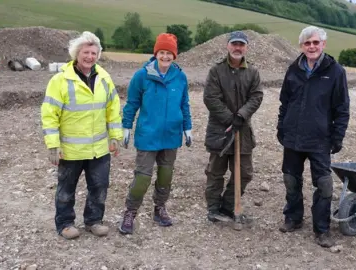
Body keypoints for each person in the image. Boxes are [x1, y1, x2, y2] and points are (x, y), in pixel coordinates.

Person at [40, 31, 123, 239]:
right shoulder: (60, 80)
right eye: (86, 52)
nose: (90, 57)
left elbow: (113, 109)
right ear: (77, 53)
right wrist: (53, 145)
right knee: (66, 189)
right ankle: (65, 223)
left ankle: (94, 220)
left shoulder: (104, 78)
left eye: (94, 53)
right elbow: (49, 115)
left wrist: (115, 136)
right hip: (71, 150)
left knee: (99, 187)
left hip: (99, 149)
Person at [276, 26, 350, 248]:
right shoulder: (293, 69)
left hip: (320, 139)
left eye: (315, 42)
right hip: (293, 138)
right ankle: (293, 218)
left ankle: (322, 229)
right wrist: (282, 128)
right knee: (291, 180)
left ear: (323, 44)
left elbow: (342, 108)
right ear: (301, 46)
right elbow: (284, 102)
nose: (312, 47)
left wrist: (337, 137)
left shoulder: (336, 72)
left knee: (324, 185)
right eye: (307, 43)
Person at [119, 33, 192, 234]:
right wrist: (126, 126)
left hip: (171, 135)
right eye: (162, 52)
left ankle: (159, 208)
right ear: (156, 53)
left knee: (166, 175)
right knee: (143, 177)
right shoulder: (142, 75)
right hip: (148, 136)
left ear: (174, 55)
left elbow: (184, 104)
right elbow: (132, 103)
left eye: (169, 53)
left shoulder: (180, 77)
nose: (165, 57)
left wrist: (187, 127)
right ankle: (130, 212)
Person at [203, 31, 263, 223]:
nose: (238, 48)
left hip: (243, 130)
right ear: (228, 46)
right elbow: (210, 98)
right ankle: (213, 210)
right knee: (215, 171)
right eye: (234, 44)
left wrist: (241, 116)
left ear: (246, 47)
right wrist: (230, 118)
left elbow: (257, 96)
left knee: (244, 172)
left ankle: (228, 206)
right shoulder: (216, 71)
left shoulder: (252, 72)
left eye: (241, 45)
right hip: (220, 130)